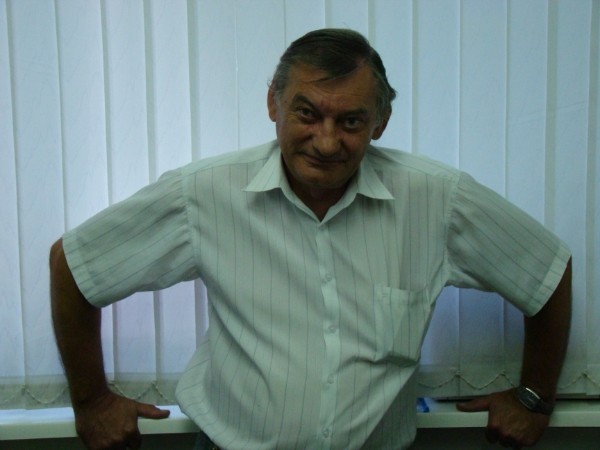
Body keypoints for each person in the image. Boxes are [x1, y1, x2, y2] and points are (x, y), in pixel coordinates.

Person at [50, 29, 571, 450]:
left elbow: (546, 270)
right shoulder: (203, 194)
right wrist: (91, 401)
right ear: (273, 104)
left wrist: (534, 398)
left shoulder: (437, 199)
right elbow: (74, 265)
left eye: (350, 121)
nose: (326, 141)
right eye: (307, 113)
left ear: (380, 123)